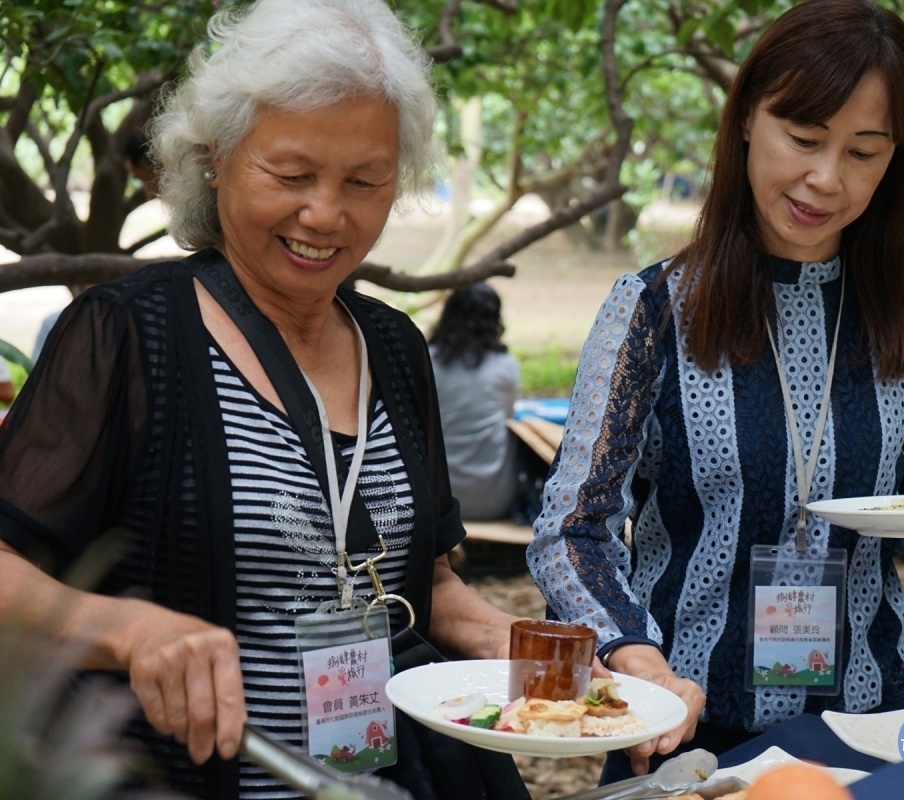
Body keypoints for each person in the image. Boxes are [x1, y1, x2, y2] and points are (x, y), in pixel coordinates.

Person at [0, 2, 530, 798]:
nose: (326, 214)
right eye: (291, 175)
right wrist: (119, 628)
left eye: (365, 181)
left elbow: (424, 578)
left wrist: (508, 639)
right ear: (215, 159)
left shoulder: (392, 346)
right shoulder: (127, 338)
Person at [526, 0, 904, 782]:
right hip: (686, 723)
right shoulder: (654, 309)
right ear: (748, 117)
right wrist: (633, 655)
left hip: (868, 720)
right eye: (805, 138)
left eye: (864, 151)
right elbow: (572, 531)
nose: (827, 179)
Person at [428, 284, 523, 520]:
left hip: (435, 501)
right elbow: (508, 414)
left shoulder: (426, 359)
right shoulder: (504, 365)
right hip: (494, 500)